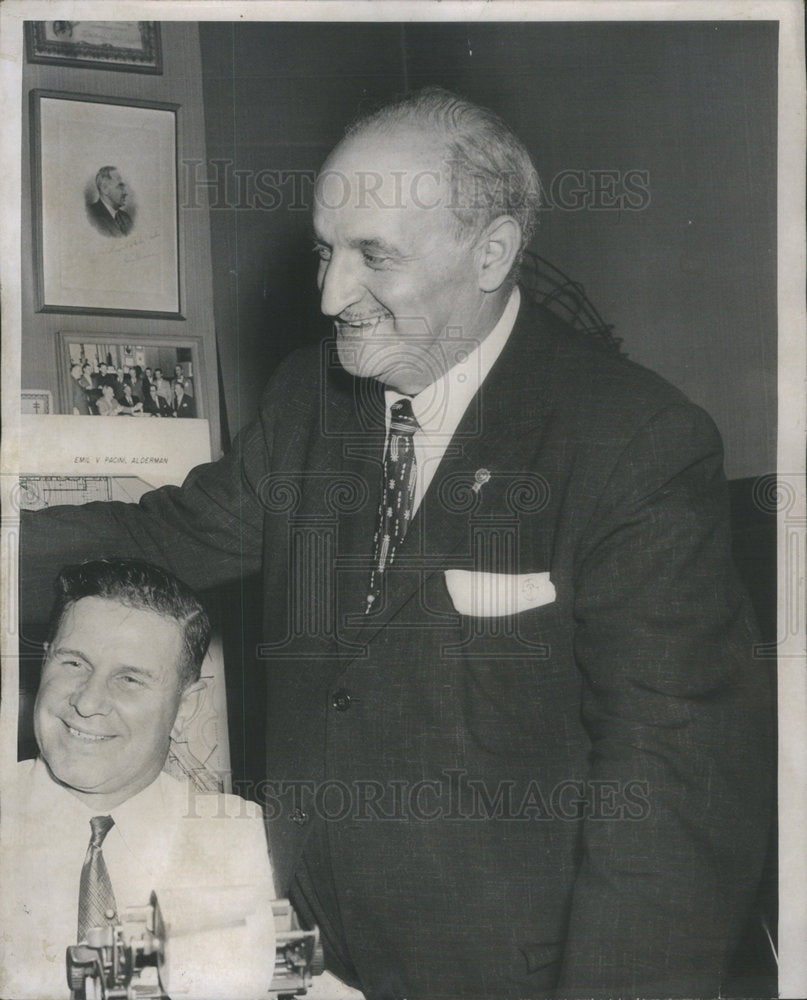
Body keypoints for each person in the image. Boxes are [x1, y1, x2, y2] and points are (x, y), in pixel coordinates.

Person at [20, 88, 774, 1000]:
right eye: (325, 252)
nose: (333, 293)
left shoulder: (630, 442)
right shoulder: (311, 400)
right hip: (308, 956)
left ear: (491, 251)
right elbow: (161, 536)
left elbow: (674, 796)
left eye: (374, 256)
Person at [2, 559, 276, 1000]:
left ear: (184, 709)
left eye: (129, 679)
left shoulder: (255, 845)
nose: (89, 701)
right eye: (73, 663)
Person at [87, 166, 133, 238]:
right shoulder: (91, 215)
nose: (125, 192)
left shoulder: (126, 218)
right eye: (120, 186)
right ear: (105, 188)